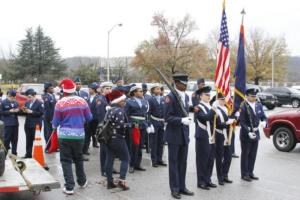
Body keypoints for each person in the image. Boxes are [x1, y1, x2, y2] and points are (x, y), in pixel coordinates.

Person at [52, 78, 92, 195]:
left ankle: (69, 187)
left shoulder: (60, 103)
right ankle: (82, 181)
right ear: (74, 89)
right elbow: (89, 118)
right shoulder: (82, 101)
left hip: (64, 136)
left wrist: (55, 126)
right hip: (79, 135)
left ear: (64, 90)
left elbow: (55, 123)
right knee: (78, 158)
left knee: (66, 160)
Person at [164, 73, 194, 199]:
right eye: (183, 84)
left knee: (183, 162)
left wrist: (187, 120)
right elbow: (167, 117)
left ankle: (182, 186)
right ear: (176, 83)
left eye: (186, 84)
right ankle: (175, 189)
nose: (185, 86)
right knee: (174, 162)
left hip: (184, 134)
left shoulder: (186, 96)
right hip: (174, 135)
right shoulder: (170, 97)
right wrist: (181, 120)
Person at [239, 88, 267, 182]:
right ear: (247, 96)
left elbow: (263, 116)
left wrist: (264, 122)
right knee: (245, 154)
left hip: (256, 133)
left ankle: (250, 172)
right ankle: (244, 174)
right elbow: (242, 122)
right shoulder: (243, 106)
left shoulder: (258, 105)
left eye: (255, 96)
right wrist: (248, 132)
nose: (254, 98)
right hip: (247, 134)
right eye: (252, 96)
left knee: (253, 154)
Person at [105, 90, 131, 190]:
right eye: (123, 101)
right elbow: (120, 126)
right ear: (119, 101)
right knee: (126, 158)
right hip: (118, 138)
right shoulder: (119, 110)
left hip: (108, 138)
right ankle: (122, 181)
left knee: (109, 159)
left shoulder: (109, 110)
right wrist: (131, 125)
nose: (124, 103)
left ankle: (110, 182)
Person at [194, 86, 217, 190]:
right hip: (203, 136)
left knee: (210, 159)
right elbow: (205, 118)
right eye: (206, 95)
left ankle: (208, 179)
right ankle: (201, 181)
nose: (208, 96)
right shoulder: (198, 107)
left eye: (209, 94)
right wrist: (213, 109)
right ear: (200, 96)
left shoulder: (210, 106)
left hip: (211, 135)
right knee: (202, 160)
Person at [125, 85, 149, 173]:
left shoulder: (144, 101)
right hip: (134, 125)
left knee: (140, 146)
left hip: (142, 125)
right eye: (140, 91)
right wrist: (130, 124)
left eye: (142, 91)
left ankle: (138, 164)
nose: (142, 92)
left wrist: (148, 125)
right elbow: (126, 115)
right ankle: (131, 165)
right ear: (134, 92)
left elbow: (146, 114)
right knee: (134, 146)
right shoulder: (129, 102)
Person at [213, 93, 235, 185]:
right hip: (220, 134)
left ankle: (225, 174)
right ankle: (220, 177)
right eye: (221, 100)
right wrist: (226, 123)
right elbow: (216, 124)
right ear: (218, 100)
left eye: (224, 100)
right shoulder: (215, 110)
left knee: (228, 156)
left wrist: (234, 118)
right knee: (219, 156)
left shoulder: (227, 109)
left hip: (228, 135)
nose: (223, 101)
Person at [148, 83, 167, 167]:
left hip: (161, 123)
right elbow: (148, 112)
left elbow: (166, 111)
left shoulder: (163, 99)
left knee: (161, 142)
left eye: (159, 89)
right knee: (154, 142)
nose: (159, 90)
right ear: (152, 91)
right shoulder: (150, 100)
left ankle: (160, 159)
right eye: (156, 89)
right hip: (154, 122)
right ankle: (154, 160)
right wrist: (149, 123)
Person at [23, 88, 44, 158]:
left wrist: (32, 112)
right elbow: (25, 112)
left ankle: (36, 155)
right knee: (28, 140)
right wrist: (24, 111)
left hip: (36, 125)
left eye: (30, 97)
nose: (29, 99)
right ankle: (28, 154)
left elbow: (41, 113)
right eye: (28, 97)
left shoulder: (39, 103)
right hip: (28, 124)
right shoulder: (27, 102)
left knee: (36, 140)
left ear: (34, 95)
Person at [98, 81, 113, 177]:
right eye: (107, 88)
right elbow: (100, 115)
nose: (109, 90)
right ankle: (103, 169)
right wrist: (103, 128)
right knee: (103, 150)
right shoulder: (101, 100)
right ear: (102, 89)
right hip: (104, 128)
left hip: (110, 126)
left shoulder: (109, 99)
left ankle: (109, 167)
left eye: (110, 88)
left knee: (110, 149)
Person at [83, 82, 101, 155]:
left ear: (94, 90)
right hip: (88, 120)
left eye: (90, 89)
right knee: (87, 135)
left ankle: (96, 143)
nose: (89, 90)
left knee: (96, 134)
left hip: (96, 120)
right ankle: (85, 149)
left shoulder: (99, 98)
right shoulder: (87, 97)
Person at [0, 90, 19, 155]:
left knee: (15, 140)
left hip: (15, 124)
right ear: (8, 96)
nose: (13, 99)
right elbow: (1, 112)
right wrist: (9, 111)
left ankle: (14, 154)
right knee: (6, 140)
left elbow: (18, 111)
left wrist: (18, 110)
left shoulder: (16, 103)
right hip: (7, 124)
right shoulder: (3, 102)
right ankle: (4, 155)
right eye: (11, 98)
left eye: (14, 98)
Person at [42, 82, 57, 152]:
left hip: (53, 117)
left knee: (54, 132)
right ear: (47, 89)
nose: (53, 89)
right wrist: (51, 119)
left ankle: (54, 146)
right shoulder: (46, 97)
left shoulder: (52, 95)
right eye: (51, 88)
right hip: (48, 118)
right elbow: (48, 110)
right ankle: (48, 147)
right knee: (48, 133)